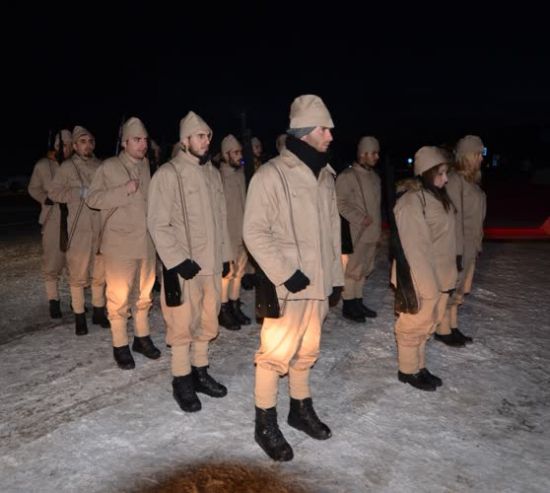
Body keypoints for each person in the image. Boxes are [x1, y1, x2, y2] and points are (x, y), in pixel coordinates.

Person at [243, 94, 344, 461]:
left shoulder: (325, 176)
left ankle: (300, 409)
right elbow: (254, 232)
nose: (330, 135)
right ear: (304, 132)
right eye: (324, 129)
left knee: (307, 351)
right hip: (287, 286)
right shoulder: (271, 175)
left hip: (318, 283)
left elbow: (332, 232)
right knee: (274, 355)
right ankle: (264, 423)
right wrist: (286, 273)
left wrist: (334, 277)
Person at [148, 111, 232, 412]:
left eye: (208, 136)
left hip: (210, 265)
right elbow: (157, 224)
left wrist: (225, 256)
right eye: (200, 136)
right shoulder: (168, 174)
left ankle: (200, 372)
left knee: (207, 321)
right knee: (182, 324)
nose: (206, 141)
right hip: (184, 269)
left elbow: (221, 219)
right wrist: (177, 260)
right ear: (185, 140)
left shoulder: (212, 173)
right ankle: (182, 380)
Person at [87, 117, 161, 370]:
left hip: (146, 243)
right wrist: (124, 190)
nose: (143, 145)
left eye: (145, 140)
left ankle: (141, 338)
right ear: (124, 142)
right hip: (120, 244)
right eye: (137, 140)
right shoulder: (109, 166)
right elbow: (93, 199)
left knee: (144, 294)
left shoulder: (146, 165)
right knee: (118, 298)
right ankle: (120, 345)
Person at [392, 146, 457, 390]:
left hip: (440, 275)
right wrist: (425, 285)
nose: (446, 179)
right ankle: (408, 370)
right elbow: (414, 248)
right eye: (440, 173)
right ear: (427, 172)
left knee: (428, 323)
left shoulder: (436, 197)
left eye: (446, 173)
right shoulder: (412, 202)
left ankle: (419, 366)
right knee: (413, 324)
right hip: (419, 277)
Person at [48, 126, 108, 335]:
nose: (87, 145)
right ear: (74, 145)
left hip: (100, 226)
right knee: (78, 274)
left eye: (90, 141)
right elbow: (54, 192)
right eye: (82, 141)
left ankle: (99, 311)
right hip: (78, 227)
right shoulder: (67, 167)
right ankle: (80, 316)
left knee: (100, 272)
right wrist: (77, 192)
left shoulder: (101, 166)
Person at [435, 135, 486, 346]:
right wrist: (456, 252)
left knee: (459, 290)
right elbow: (454, 220)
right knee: (451, 288)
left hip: (470, 245)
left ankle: (453, 326)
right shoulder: (455, 181)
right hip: (458, 246)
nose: (481, 158)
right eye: (478, 154)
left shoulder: (470, 181)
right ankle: (443, 329)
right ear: (467, 155)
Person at [336, 136, 382, 322]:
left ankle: (358, 301)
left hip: (372, 232)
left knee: (364, 268)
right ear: (363, 154)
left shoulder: (375, 177)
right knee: (352, 270)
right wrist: (359, 218)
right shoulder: (347, 176)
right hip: (356, 232)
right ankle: (349, 304)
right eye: (373, 153)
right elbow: (339, 202)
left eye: (377, 153)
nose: (377, 157)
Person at [28, 129, 72, 318]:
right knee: (52, 262)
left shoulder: (73, 165)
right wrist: (44, 198)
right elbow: (33, 188)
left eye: (69, 145)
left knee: (73, 261)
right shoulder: (43, 165)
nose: (66, 149)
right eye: (63, 145)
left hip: (73, 217)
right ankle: (54, 301)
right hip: (52, 217)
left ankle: (75, 300)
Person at [218, 134, 251, 330]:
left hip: (242, 233)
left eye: (240, 152)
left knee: (239, 272)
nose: (240, 156)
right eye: (235, 153)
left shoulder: (240, 175)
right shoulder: (219, 178)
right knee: (227, 274)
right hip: (228, 234)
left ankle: (234, 304)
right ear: (226, 154)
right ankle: (223, 309)